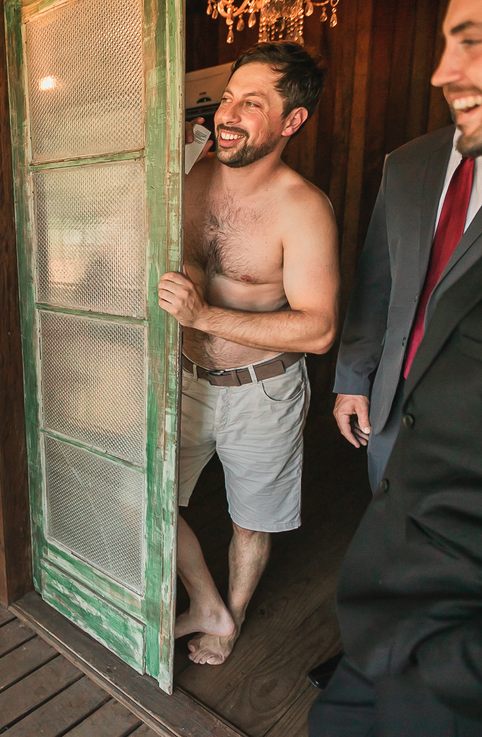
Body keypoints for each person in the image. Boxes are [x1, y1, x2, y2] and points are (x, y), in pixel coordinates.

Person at [311, 0, 482, 732]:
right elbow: (381, 282)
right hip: (395, 421)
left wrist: (449, 670)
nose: (440, 72)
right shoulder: (416, 162)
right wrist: (355, 376)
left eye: (475, 40)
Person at [159, 42, 340, 665]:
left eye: (251, 103)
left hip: (262, 390)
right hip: (185, 378)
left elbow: (318, 330)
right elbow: (185, 252)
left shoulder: (304, 208)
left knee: (249, 521)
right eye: (229, 97)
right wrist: (185, 278)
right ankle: (205, 600)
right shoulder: (196, 177)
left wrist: (205, 313)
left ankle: (226, 622)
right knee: (153, 495)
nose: (227, 114)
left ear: (292, 122)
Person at [333, 122, 482, 492]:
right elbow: (376, 280)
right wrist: (353, 380)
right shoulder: (405, 161)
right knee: (390, 532)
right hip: (394, 401)